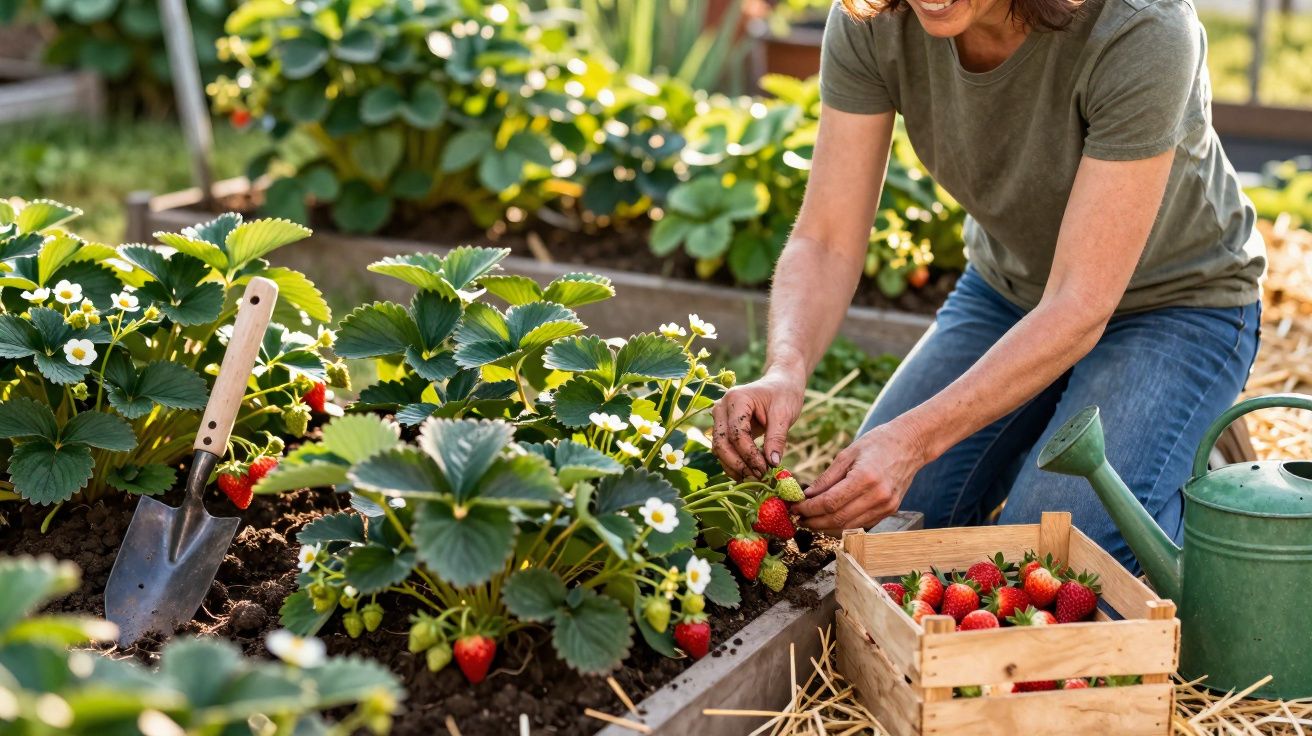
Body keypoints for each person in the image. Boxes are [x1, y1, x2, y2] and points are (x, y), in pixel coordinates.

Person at [711, 0, 1265, 568]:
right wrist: (785, 367)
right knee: (880, 533)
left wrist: (915, 439)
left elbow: (1079, 304)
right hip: (1009, 292)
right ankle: (1073, 437)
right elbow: (827, 238)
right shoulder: (873, 18)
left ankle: (1196, 489)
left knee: (1048, 560)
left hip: (1176, 306)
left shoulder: (1140, 26)